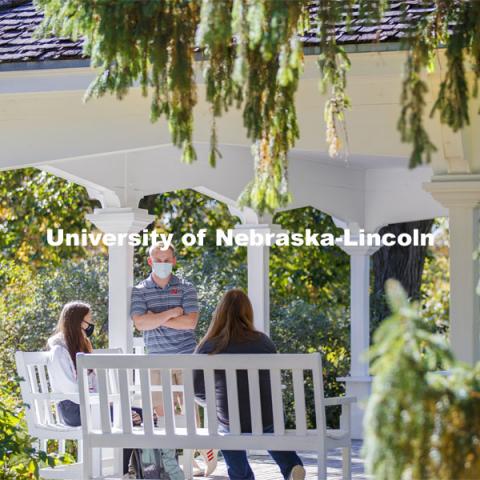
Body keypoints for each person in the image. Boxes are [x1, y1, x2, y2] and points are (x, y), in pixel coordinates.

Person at [47, 301, 183, 479]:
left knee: (147, 415)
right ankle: (128, 473)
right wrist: (110, 406)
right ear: (77, 322)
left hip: (93, 406)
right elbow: (70, 389)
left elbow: (93, 383)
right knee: (128, 418)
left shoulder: (81, 346)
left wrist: (113, 405)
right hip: (73, 409)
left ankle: (153, 468)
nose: (91, 325)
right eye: (88, 320)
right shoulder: (59, 351)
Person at [194, 289, 306, 480]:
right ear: (248, 313)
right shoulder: (264, 343)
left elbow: (196, 390)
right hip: (267, 419)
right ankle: (290, 466)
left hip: (231, 421)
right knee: (269, 426)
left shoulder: (208, 346)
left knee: (227, 429)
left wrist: (216, 403)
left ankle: (241, 476)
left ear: (219, 313)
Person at [131, 241, 217, 477]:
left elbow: (190, 323)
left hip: (186, 357)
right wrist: (170, 313)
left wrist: (154, 317)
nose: (162, 264)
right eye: (158, 260)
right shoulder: (139, 290)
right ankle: (173, 463)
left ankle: (201, 449)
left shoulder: (186, 288)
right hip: (156, 361)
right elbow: (140, 323)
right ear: (150, 261)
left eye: (167, 259)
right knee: (162, 414)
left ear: (174, 261)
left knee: (189, 411)